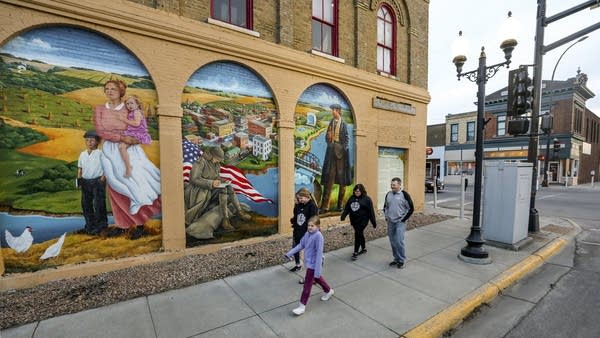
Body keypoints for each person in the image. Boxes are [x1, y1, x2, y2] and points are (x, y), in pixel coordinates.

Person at [93, 79, 161, 240]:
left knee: (135, 183)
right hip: (110, 149)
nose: (110, 92)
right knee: (115, 187)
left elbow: (140, 126)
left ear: (121, 91)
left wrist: (135, 140)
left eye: (114, 89)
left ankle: (139, 225)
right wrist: (121, 137)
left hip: (130, 151)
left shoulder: (129, 107)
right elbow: (100, 130)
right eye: (107, 89)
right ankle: (121, 225)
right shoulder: (100, 109)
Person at [184, 146, 251, 239]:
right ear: (212, 156)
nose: (219, 161)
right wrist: (211, 183)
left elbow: (216, 176)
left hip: (209, 188)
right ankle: (224, 218)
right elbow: (194, 179)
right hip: (198, 190)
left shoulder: (216, 164)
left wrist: (222, 181)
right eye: (218, 158)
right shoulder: (200, 162)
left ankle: (235, 214)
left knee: (228, 188)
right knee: (220, 191)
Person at [285, 215, 334, 316]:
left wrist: (317, 269)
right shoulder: (307, 234)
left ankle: (301, 306)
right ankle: (328, 290)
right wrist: (290, 253)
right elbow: (301, 245)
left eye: (312, 226)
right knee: (318, 278)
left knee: (307, 286)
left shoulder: (318, 236)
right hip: (309, 263)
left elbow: (319, 253)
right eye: (308, 225)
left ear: (318, 226)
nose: (310, 227)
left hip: (315, 264)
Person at [319, 103, 352, 213]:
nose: (332, 112)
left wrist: (341, 148)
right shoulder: (331, 123)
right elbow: (326, 138)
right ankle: (325, 207)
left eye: (333, 110)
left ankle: (340, 206)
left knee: (342, 181)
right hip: (331, 155)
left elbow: (347, 140)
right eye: (332, 110)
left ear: (338, 111)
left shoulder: (344, 124)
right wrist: (329, 141)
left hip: (341, 156)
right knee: (329, 180)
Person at [77, 130, 108, 235]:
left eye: (92, 140)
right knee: (86, 204)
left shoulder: (100, 153)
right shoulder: (82, 154)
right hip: (85, 182)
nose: (89, 142)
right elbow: (80, 169)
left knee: (99, 204)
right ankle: (90, 226)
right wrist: (79, 181)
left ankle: (102, 226)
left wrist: (102, 179)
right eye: (87, 140)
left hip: (97, 181)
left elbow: (106, 167)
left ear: (97, 142)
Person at [340, 183, 377, 260]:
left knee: (358, 234)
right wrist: (343, 216)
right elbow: (347, 208)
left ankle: (355, 252)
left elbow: (371, 212)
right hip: (354, 220)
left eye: (358, 191)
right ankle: (363, 248)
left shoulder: (367, 199)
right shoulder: (351, 198)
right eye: (355, 191)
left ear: (362, 191)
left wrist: (374, 223)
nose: (357, 193)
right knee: (360, 234)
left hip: (363, 220)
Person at [383, 177, 414, 269]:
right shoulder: (388, 194)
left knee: (399, 241)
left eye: (394, 185)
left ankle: (401, 260)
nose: (392, 186)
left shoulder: (404, 195)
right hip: (391, 222)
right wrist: (386, 217)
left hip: (400, 221)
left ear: (399, 185)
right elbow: (385, 207)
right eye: (391, 184)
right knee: (392, 241)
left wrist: (403, 219)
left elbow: (411, 208)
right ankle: (396, 259)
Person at [118, 95, 151, 178]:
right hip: (132, 132)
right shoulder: (132, 112)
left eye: (132, 103)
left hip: (138, 133)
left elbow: (137, 124)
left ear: (137, 104)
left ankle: (128, 167)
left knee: (122, 147)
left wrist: (124, 120)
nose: (130, 105)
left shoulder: (137, 112)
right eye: (128, 104)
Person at [289, 187, 319, 272]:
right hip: (297, 231)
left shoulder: (312, 206)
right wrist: (293, 221)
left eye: (301, 198)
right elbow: (296, 216)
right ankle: (298, 265)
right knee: (295, 249)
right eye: (299, 198)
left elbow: (313, 221)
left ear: (307, 196)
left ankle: (311, 270)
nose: (300, 200)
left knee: (307, 254)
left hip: (306, 233)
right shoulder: (298, 205)